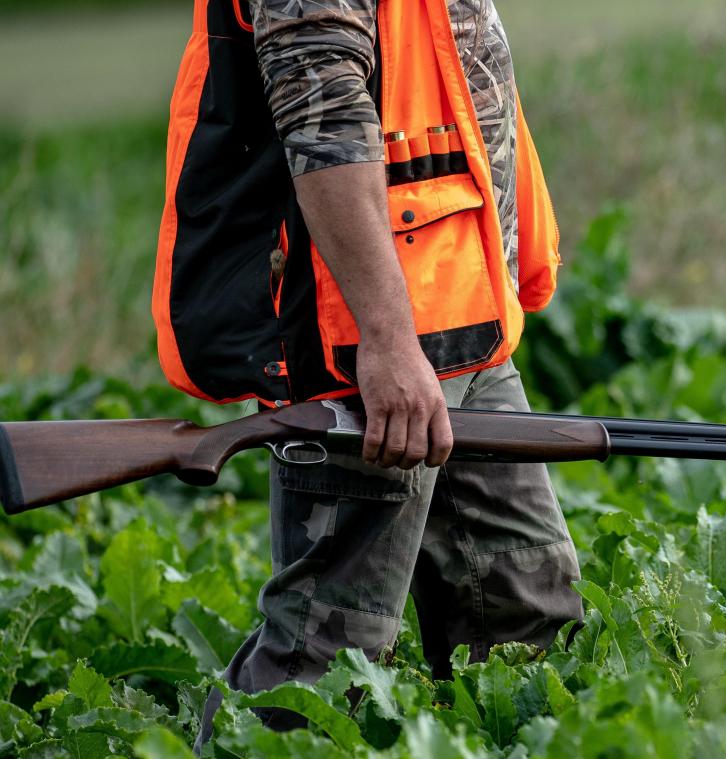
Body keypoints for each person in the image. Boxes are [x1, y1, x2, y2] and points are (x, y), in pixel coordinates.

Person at [150, 0, 581, 745]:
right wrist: (386, 342)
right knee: (325, 656)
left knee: (525, 608)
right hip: (371, 347)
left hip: (463, 324)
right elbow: (324, 125)